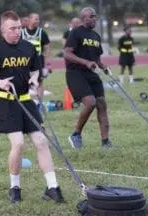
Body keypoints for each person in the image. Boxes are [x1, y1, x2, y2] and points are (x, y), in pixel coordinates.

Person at [0, 10, 64, 204]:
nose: (17, 32)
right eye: (13, 28)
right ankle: (14, 188)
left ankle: (53, 188)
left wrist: (34, 79)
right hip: (3, 101)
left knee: (41, 141)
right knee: (19, 143)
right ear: (3, 29)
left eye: (19, 28)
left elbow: (36, 69)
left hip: (25, 100)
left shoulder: (28, 47)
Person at [64, 7, 112, 149]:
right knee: (90, 103)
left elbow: (97, 58)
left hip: (91, 73)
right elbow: (67, 53)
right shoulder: (75, 33)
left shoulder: (96, 36)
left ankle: (105, 142)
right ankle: (76, 134)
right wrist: (85, 62)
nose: (94, 19)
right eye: (91, 16)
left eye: (95, 16)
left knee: (102, 105)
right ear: (84, 18)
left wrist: (104, 67)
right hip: (75, 73)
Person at [21, 13, 51, 99]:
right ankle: (26, 101)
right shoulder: (22, 33)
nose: (38, 21)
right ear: (30, 19)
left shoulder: (42, 33)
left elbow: (47, 50)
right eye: (36, 19)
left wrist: (47, 66)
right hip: (25, 62)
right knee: (24, 82)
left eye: (38, 19)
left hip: (38, 62)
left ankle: (39, 103)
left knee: (39, 82)